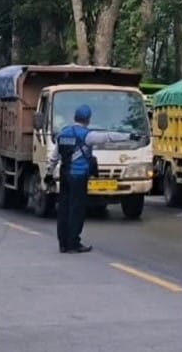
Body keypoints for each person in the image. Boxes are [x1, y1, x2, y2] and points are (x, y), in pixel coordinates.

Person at [45, 104, 139, 254]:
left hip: (64, 176)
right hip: (79, 177)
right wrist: (130, 136)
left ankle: (63, 243)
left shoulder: (62, 134)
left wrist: (49, 173)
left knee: (63, 209)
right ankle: (73, 243)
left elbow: (54, 158)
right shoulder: (87, 136)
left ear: (75, 117)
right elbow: (108, 137)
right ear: (87, 119)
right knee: (76, 210)